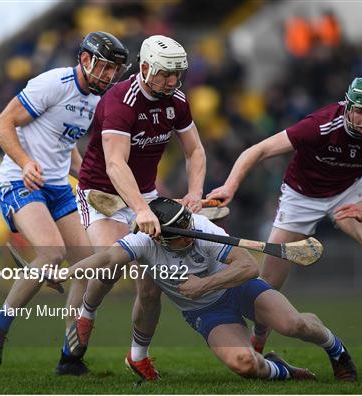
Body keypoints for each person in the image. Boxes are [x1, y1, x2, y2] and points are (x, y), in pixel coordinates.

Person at [207, 76, 362, 366]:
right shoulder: (320, 125)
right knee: (268, 283)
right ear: (347, 107)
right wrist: (229, 187)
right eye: (358, 111)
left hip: (349, 192)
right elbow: (256, 151)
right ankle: (258, 344)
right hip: (300, 196)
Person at [53, 197, 358, 382]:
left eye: (189, 226)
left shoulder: (202, 228)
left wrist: (206, 283)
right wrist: (64, 273)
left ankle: (337, 349)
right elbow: (106, 258)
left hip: (238, 287)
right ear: (159, 238)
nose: (190, 236)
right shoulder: (143, 242)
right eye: (181, 236)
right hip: (205, 311)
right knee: (245, 364)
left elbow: (250, 267)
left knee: (295, 324)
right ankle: (283, 369)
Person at [57, 35, 206, 378]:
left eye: (177, 74)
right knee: (113, 264)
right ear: (144, 67)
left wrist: (195, 192)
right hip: (102, 193)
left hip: (145, 194)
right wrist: (141, 210)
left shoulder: (178, 100)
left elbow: (194, 151)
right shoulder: (120, 101)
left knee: (151, 285)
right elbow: (115, 165)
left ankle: (139, 355)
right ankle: (87, 314)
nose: (173, 81)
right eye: (166, 73)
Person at [0, 32, 131, 369]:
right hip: (19, 181)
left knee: (88, 266)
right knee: (52, 253)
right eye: (104, 68)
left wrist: (93, 184)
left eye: (114, 71)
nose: (109, 76)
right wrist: (26, 162)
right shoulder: (52, 83)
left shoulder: (95, 100)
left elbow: (66, 148)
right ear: (86, 60)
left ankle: (69, 357)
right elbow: (3, 124)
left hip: (59, 187)